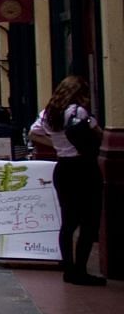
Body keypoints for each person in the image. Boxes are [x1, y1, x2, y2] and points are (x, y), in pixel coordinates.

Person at [30, 77, 105, 286]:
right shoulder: (78, 112)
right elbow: (97, 134)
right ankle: (80, 270)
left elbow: (33, 133)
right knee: (89, 222)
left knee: (68, 221)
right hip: (83, 168)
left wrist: (56, 144)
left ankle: (68, 267)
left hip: (63, 168)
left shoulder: (48, 113)